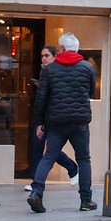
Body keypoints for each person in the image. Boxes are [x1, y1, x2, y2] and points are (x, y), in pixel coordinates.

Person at [29, 33, 98, 212]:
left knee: (49, 157)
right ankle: (85, 200)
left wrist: (39, 122)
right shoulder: (87, 68)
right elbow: (90, 93)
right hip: (80, 122)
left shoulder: (50, 70)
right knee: (83, 159)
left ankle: (36, 192)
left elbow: (41, 98)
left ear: (61, 49)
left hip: (56, 121)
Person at [31, 47, 79, 182]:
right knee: (38, 147)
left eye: (47, 55)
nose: (44, 59)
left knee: (52, 150)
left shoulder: (58, 72)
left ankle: (72, 167)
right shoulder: (43, 72)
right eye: (42, 56)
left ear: (54, 57)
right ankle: (36, 180)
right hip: (43, 116)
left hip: (54, 117)